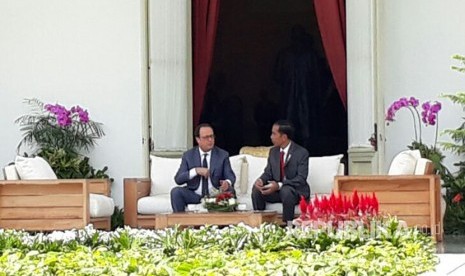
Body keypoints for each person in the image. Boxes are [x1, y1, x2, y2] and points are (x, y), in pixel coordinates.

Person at [251, 120, 310, 223]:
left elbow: (301, 179)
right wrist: (261, 180)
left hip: (295, 191)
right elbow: (268, 172)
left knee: (286, 190)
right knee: (257, 190)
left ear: (284, 137)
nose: (271, 137)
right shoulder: (273, 152)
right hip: (277, 191)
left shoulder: (301, 153)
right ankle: (261, 224)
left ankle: (288, 225)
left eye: (274, 134)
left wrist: (279, 185)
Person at [171, 123, 236, 212]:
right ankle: (180, 223)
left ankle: (225, 224)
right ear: (198, 139)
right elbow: (178, 179)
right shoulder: (188, 155)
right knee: (176, 192)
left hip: (215, 195)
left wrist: (227, 183)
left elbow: (230, 176)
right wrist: (195, 171)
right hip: (195, 195)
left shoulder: (222, 155)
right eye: (206, 137)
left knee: (230, 191)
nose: (210, 140)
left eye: (212, 136)